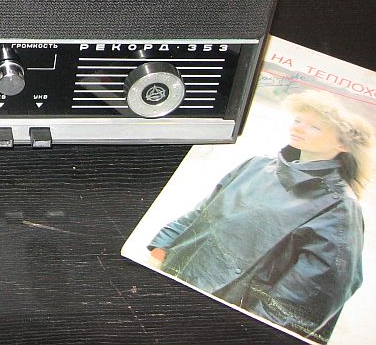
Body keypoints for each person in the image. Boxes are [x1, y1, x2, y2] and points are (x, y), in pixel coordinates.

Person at [148, 90, 373, 343]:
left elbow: (314, 291)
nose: (299, 128)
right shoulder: (258, 165)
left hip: (219, 317)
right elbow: (205, 210)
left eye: (315, 127)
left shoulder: (340, 207)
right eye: (298, 120)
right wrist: (163, 245)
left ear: (343, 145)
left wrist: (245, 330)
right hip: (173, 278)